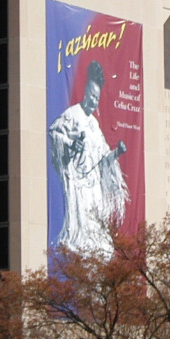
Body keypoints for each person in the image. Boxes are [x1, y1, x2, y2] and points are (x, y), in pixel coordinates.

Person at [48, 59, 129, 258]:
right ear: (85, 92)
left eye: (97, 97)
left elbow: (102, 159)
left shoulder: (94, 124)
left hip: (93, 189)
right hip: (78, 185)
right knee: (81, 240)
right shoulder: (72, 115)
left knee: (99, 243)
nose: (94, 100)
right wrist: (70, 144)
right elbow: (54, 134)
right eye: (91, 95)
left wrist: (116, 153)